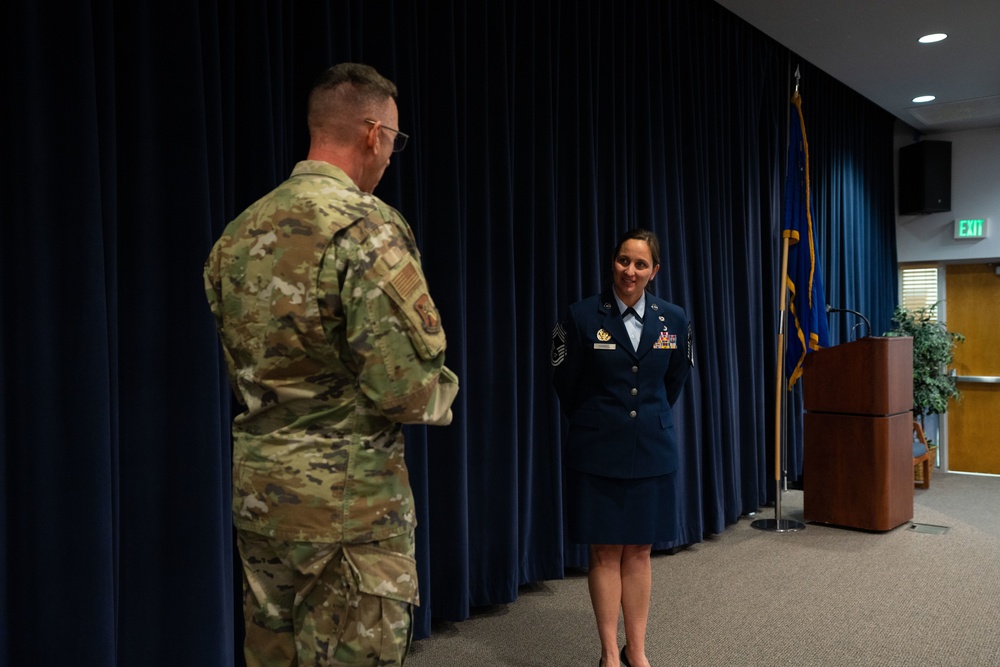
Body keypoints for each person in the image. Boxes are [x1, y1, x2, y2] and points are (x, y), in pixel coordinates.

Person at [204, 62, 458, 666]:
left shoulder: (238, 234)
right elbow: (405, 389)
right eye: (394, 139)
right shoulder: (367, 228)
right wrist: (443, 390)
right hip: (351, 511)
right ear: (372, 133)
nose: (394, 154)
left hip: (263, 499)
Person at [550, 228, 693, 667]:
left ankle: (638, 649)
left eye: (640, 264)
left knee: (641, 550)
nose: (630, 271)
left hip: (652, 449)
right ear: (612, 262)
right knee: (605, 549)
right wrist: (604, 421)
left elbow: (674, 382)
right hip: (597, 451)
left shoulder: (674, 319)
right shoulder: (580, 316)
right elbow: (565, 384)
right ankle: (610, 653)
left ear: (655, 271)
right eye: (623, 261)